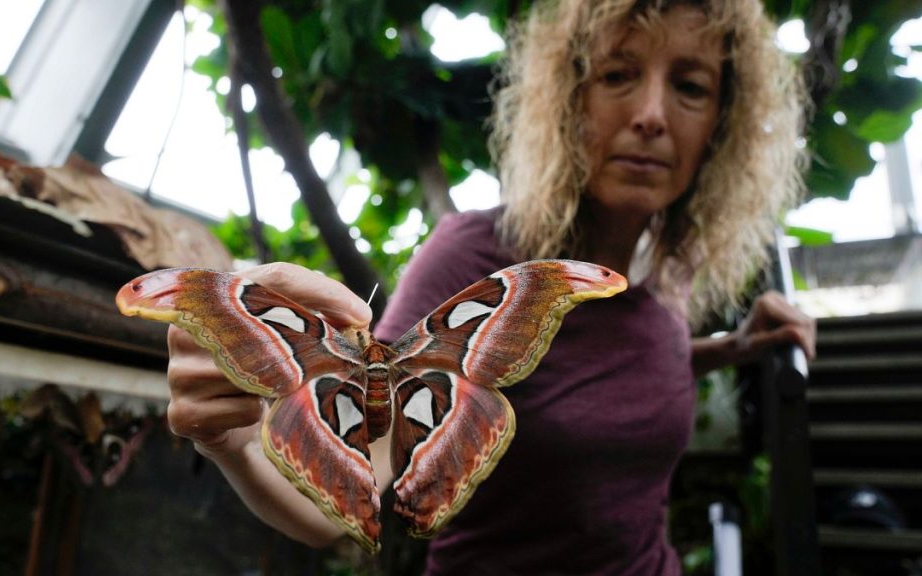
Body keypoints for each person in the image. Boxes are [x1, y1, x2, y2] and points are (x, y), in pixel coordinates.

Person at [164, 0, 817, 573]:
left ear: (721, 128)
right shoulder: (478, 258)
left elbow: (595, 372)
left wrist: (730, 348)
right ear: (569, 99)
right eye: (618, 74)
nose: (651, 113)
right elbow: (357, 475)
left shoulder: (659, 273)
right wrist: (238, 444)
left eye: (690, 87)